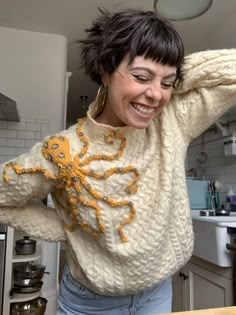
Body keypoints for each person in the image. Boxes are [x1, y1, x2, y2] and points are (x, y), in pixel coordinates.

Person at [1, 8, 236, 315]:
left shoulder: (173, 120)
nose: (155, 95)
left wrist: (173, 74)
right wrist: (71, 229)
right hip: (87, 303)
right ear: (105, 70)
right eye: (140, 77)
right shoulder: (62, 152)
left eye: (167, 83)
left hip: (157, 295)